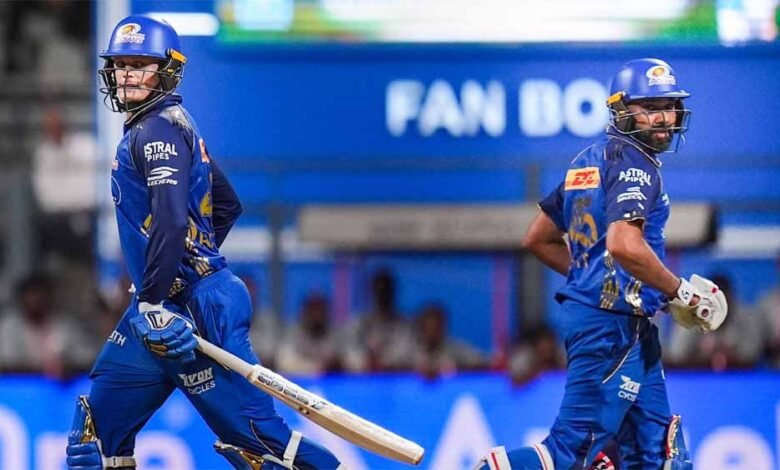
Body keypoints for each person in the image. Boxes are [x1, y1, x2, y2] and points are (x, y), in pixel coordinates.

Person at [66, 15, 343, 469]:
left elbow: (172, 221)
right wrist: (174, 278)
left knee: (261, 445)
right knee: (96, 442)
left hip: (192, 309)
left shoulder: (157, 131)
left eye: (140, 65)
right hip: (156, 311)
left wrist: (163, 292)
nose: (127, 75)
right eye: (121, 65)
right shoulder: (170, 125)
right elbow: (226, 204)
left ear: (167, 70)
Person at [473, 58, 728, 469]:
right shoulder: (635, 164)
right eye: (651, 107)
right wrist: (680, 291)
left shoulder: (587, 161)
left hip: (624, 324)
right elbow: (623, 244)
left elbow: (538, 238)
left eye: (669, 106)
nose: (665, 118)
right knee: (570, 452)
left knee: (659, 455)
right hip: (611, 327)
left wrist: (617, 283)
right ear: (621, 110)